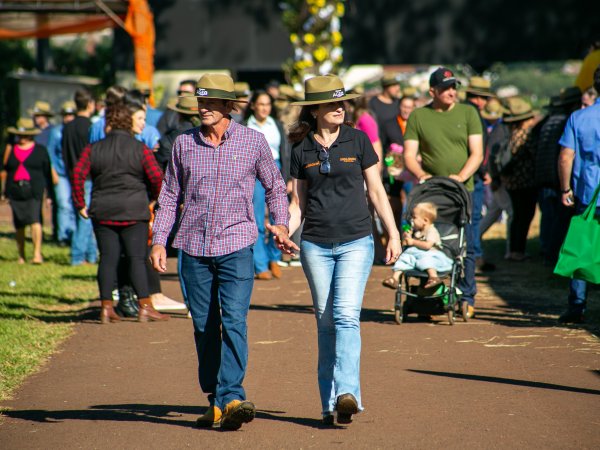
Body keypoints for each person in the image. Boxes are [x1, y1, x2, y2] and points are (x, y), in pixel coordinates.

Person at [150, 74, 292, 430]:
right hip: (193, 248)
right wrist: (158, 240)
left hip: (237, 244)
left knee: (234, 321)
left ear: (229, 106)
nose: (204, 108)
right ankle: (215, 398)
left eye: (212, 102)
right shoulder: (184, 144)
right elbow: (170, 195)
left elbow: (275, 186)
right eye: (201, 102)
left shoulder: (253, 141)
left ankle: (231, 397)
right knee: (204, 325)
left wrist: (281, 223)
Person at [285, 74, 401, 425]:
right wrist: (284, 231)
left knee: (346, 316)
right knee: (325, 323)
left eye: (342, 102)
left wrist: (393, 234)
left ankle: (347, 394)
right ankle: (328, 401)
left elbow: (377, 191)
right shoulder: (301, 149)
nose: (340, 107)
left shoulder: (358, 140)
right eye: (332, 103)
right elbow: (297, 204)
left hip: (356, 241)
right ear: (314, 110)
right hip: (315, 244)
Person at [72, 101, 168, 324]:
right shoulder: (140, 149)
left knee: (107, 258)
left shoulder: (93, 148)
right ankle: (145, 306)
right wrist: (154, 198)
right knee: (137, 259)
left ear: (108, 123)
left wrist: (80, 203)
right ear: (128, 122)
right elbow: (157, 177)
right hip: (134, 210)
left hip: (102, 210)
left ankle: (106, 308)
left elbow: (77, 174)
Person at [403, 67, 483, 319]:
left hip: (463, 191)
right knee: (426, 241)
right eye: (445, 88)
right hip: (431, 193)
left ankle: (467, 296)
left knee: (466, 245)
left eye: (453, 87)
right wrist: (421, 174)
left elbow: (477, 153)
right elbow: (409, 154)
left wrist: (461, 176)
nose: (451, 92)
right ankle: (426, 295)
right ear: (432, 91)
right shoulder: (418, 116)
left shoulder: (468, 112)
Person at [557, 66, 600, 324]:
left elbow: (566, 156)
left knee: (583, 245)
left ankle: (576, 306)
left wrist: (566, 189)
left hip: (588, 192)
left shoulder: (579, 117)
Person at [242, 90, 289, 280]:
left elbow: (285, 151)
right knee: (257, 219)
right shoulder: (244, 125)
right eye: (261, 104)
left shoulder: (276, 124)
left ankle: (274, 258)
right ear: (253, 105)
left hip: (276, 168)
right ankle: (260, 264)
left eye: (267, 104)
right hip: (253, 172)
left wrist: (288, 177)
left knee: (280, 218)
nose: (264, 108)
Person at [1, 118, 52, 264]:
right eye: (19, 135)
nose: (22, 138)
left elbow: (47, 172)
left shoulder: (40, 150)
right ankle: (21, 255)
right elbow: (6, 169)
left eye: (25, 136)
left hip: (34, 190)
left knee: (35, 220)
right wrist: (4, 192)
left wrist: (49, 194)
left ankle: (37, 254)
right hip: (16, 190)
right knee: (19, 223)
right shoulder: (10, 150)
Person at [500, 97, 539, 262]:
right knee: (525, 216)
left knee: (517, 216)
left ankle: (513, 250)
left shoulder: (511, 134)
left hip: (512, 182)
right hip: (525, 182)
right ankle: (518, 250)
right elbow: (535, 155)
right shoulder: (526, 135)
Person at [464, 77, 497, 272]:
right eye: (485, 98)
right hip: (474, 174)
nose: (485, 102)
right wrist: (484, 172)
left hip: (468, 171)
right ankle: (475, 256)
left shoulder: (462, 111)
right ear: (478, 98)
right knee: (473, 217)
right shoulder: (474, 114)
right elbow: (479, 148)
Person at [62, 88, 97, 266]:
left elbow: (64, 153)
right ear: (90, 104)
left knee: (83, 216)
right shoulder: (90, 127)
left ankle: (91, 255)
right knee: (85, 217)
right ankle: (77, 256)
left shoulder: (68, 127)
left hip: (73, 175)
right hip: (88, 176)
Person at [382, 202, 452, 290]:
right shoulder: (418, 231)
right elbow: (408, 244)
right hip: (416, 257)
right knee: (404, 257)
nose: (412, 220)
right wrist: (407, 236)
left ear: (425, 220)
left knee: (426, 260)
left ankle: (433, 277)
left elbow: (428, 245)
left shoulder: (431, 231)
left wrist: (413, 242)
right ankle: (394, 278)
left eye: (414, 217)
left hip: (431, 255)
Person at [46, 101, 77, 246]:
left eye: (71, 114)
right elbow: (50, 153)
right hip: (61, 173)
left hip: (74, 173)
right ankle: (63, 236)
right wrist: (53, 172)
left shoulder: (76, 130)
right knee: (63, 204)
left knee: (74, 204)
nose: (68, 117)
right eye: (66, 115)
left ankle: (73, 233)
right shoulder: (56, 131)